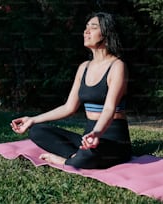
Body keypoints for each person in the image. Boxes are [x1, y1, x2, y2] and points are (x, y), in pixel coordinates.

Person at [11, 12, 132, 169]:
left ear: (107, 33)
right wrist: (33, 119)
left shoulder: (117, 66)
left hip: (113, 140)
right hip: (87, 139)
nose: (86, 31)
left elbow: (109, 108)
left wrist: (96, 133)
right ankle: (76, 157)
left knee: (91, 154)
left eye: (93, 27)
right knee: (37, 131)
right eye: (86, 28)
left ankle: (67, 160)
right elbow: (69, 107)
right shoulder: (84, 68)